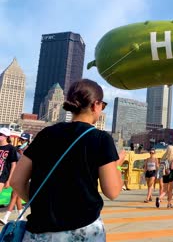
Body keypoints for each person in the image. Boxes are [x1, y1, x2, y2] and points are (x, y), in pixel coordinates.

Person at [11, 78, 126, 240]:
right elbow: (112, 191)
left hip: (39, 231)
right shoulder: (101, 138)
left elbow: (16, 181)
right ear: (95, 105)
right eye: (103, 105)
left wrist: (43, 204)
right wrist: (117, 166)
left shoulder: (46, 134)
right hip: (82, 230)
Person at [0, 127, 19, 224]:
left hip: (2, 175)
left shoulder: (11, 148)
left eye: (1, 134)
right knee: (17, 198)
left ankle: (8, 217)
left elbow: (13, 164)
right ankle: (20, 215)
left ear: (6, 136)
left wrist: (9, 180)